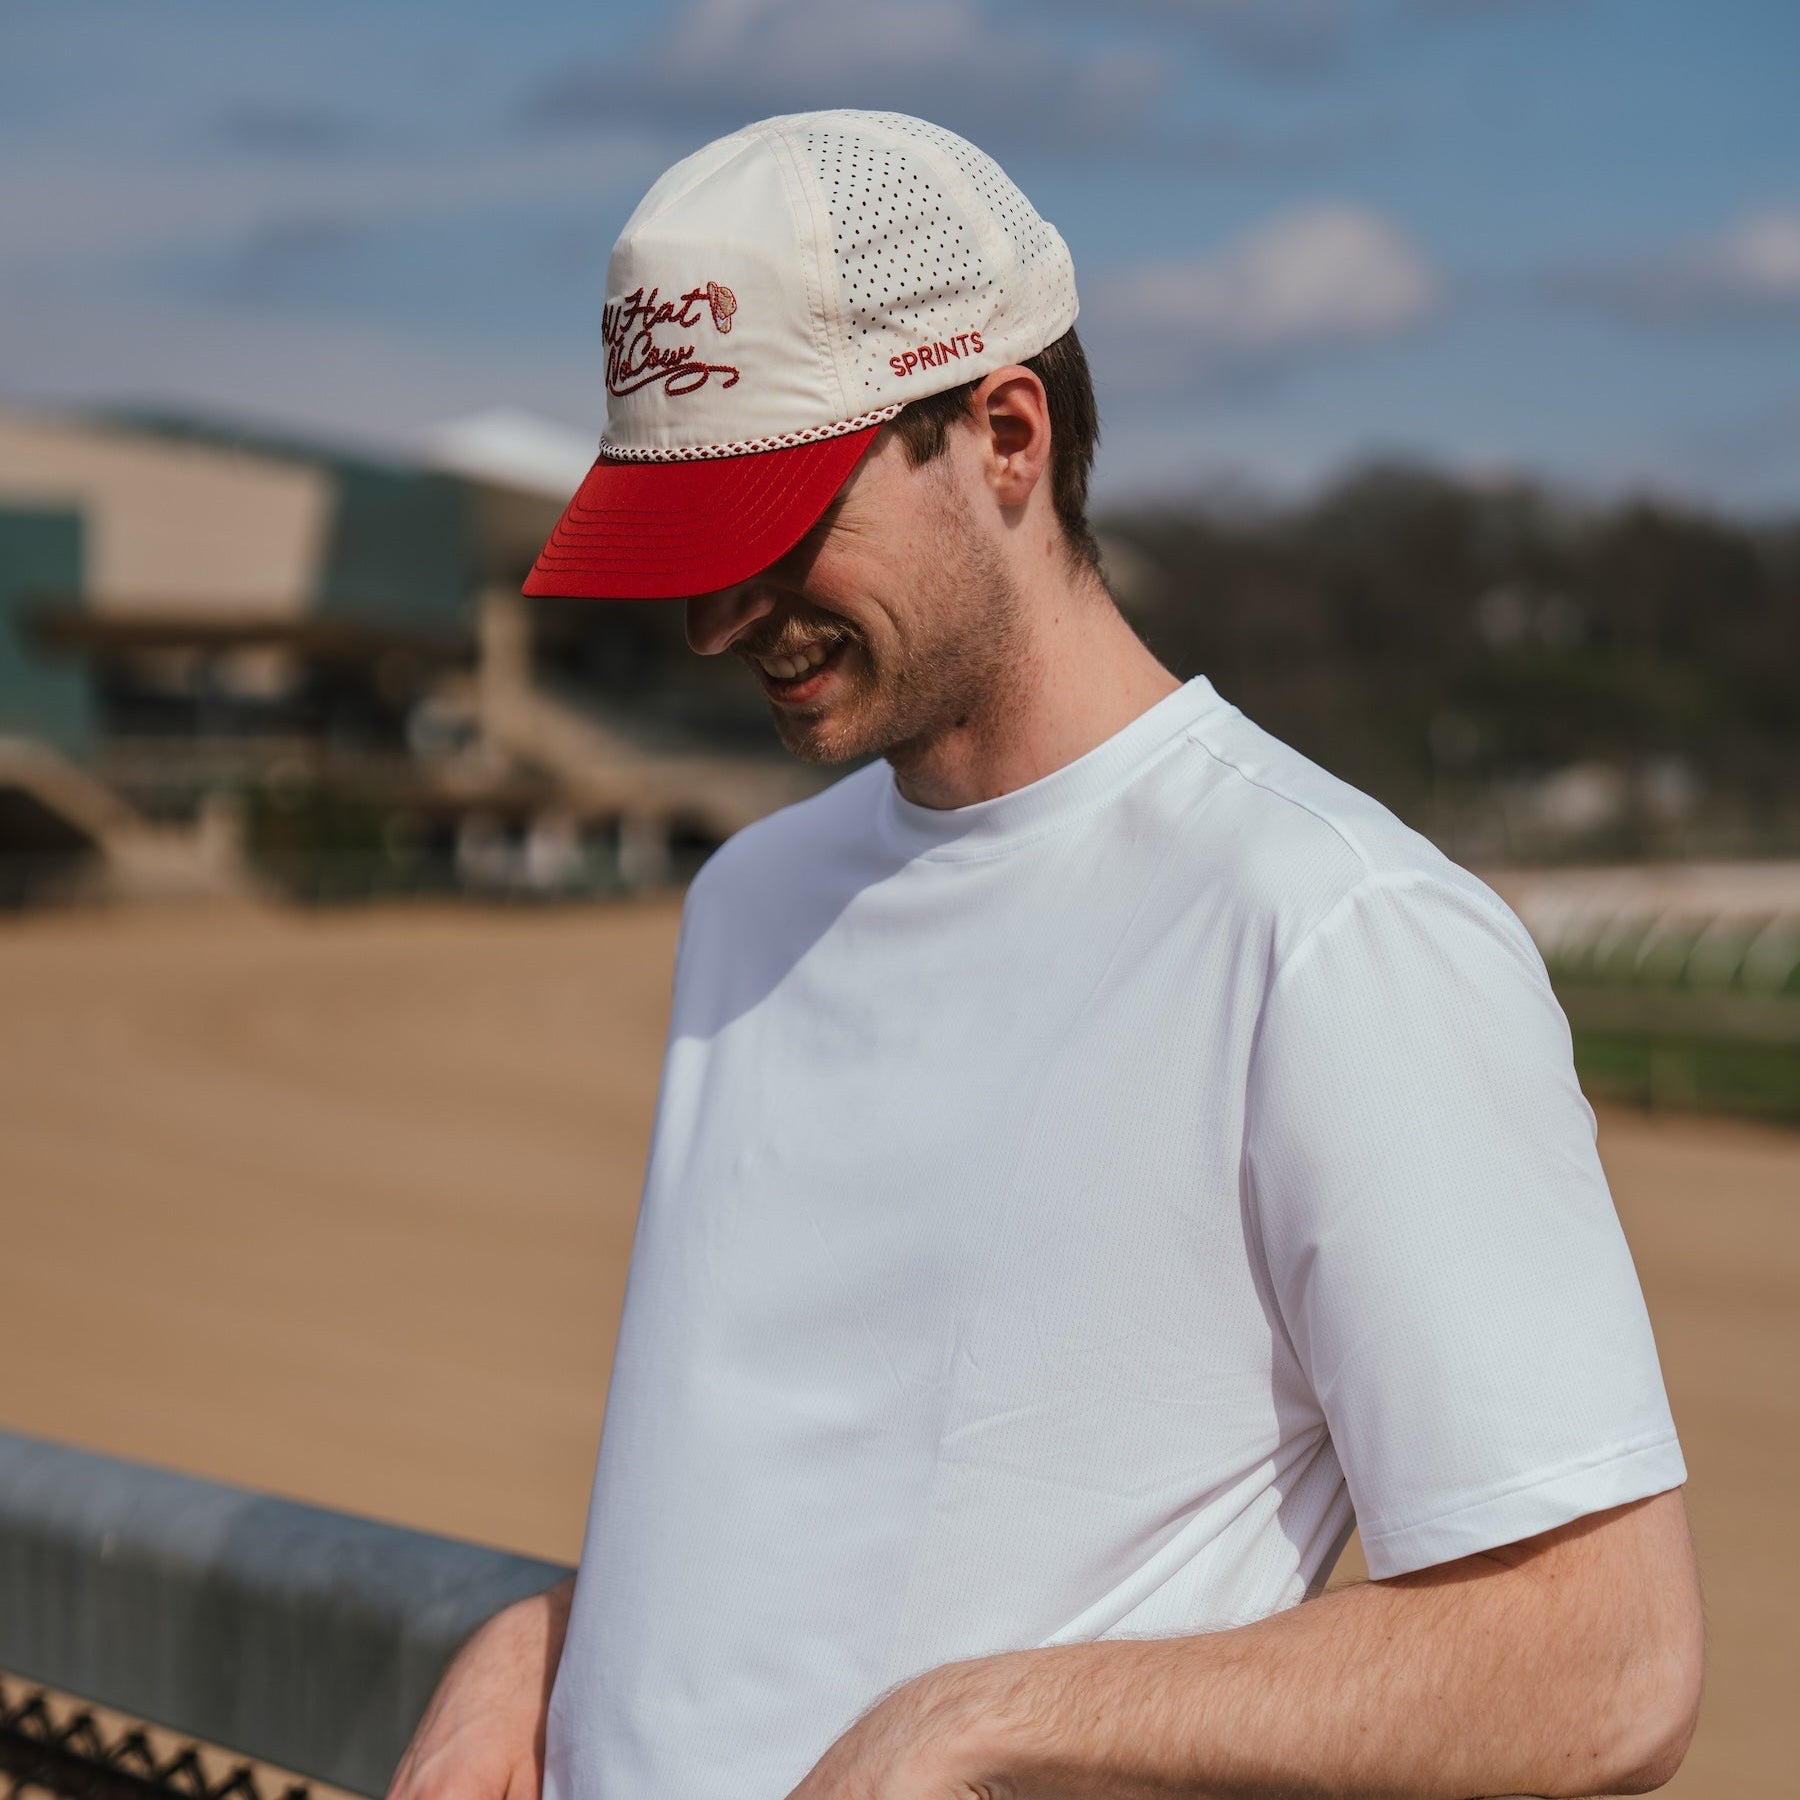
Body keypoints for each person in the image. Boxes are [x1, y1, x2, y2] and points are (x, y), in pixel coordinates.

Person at [389, 110, 1701, 1800]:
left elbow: (1606, 1663)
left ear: (1006, 434)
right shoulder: (754, 900)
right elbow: (797, 1519)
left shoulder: (1330, 926)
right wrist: (551, 1645)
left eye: (773, 529)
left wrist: (975, 1724)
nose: (716, 619)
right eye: (686, 551)